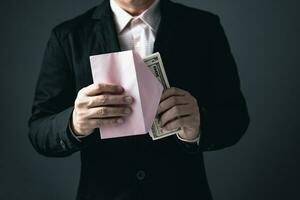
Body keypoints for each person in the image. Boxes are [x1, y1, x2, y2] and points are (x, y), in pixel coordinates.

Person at [28, 0, 250, 199]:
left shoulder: (203, 27)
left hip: (183, 191)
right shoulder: (68, 36)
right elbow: (39, 129)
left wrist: (198, 126)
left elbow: (235, 118)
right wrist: (74, 123)